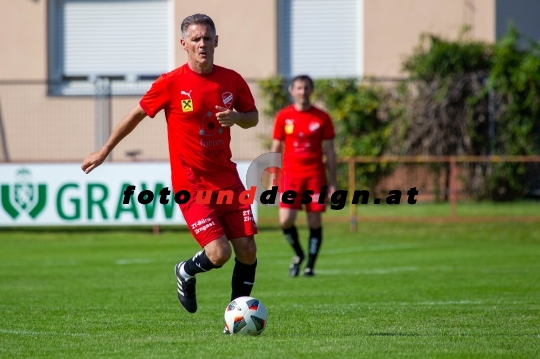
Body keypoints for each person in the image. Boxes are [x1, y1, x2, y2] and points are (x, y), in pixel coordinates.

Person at [81, 14, 259, 325]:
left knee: (247, 249)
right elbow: (136, 114)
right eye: (195, 39)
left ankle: (236, 320)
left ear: (217, 41)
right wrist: (105, 149)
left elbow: (253, 116)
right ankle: (186, 270)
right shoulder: (171, 83)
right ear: (184, 44)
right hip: (191, 183)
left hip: (227, 178)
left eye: (207, 38)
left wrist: (237, 118)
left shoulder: (232, 80)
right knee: (219, 253)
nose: (202, 44)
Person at [271, 75, 336, 277]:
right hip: (290, 176)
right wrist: (273, 180)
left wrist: (333, 182)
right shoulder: (283, 116)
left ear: (311, 90)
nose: (302, 92)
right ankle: (299, 254)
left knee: (314, 222)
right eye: (299, 88)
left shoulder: (322, 117)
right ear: (292, 91)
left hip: (315, 175)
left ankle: (310, 266)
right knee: (285, 220)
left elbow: (331, 151)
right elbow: (275, 148)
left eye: (306, 88)